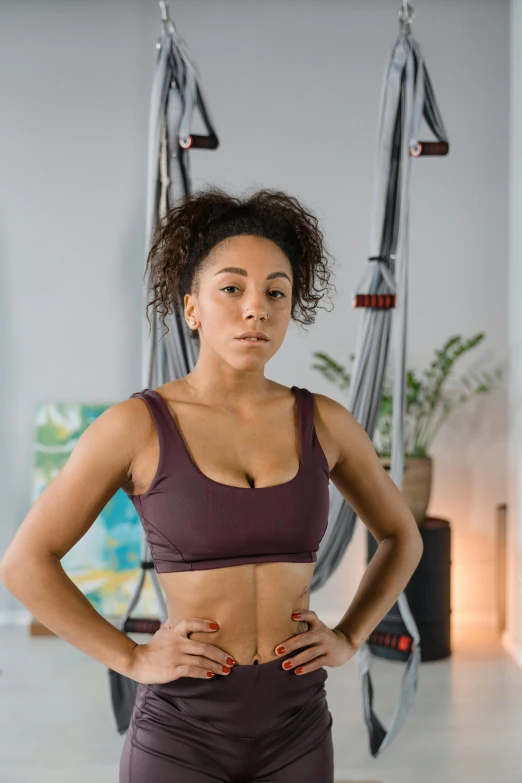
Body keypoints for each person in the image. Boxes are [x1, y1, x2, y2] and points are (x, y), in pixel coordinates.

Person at [0, 186, 423, 782]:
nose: (257, 308)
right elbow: (25, 563)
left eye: (277, 292)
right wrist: (131, 657)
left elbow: (402, 536)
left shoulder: (325, 421)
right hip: (181, 729)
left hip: (298, 724)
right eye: (232, 288)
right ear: (191, 306)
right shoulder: (136, 427)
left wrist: (352, 635)